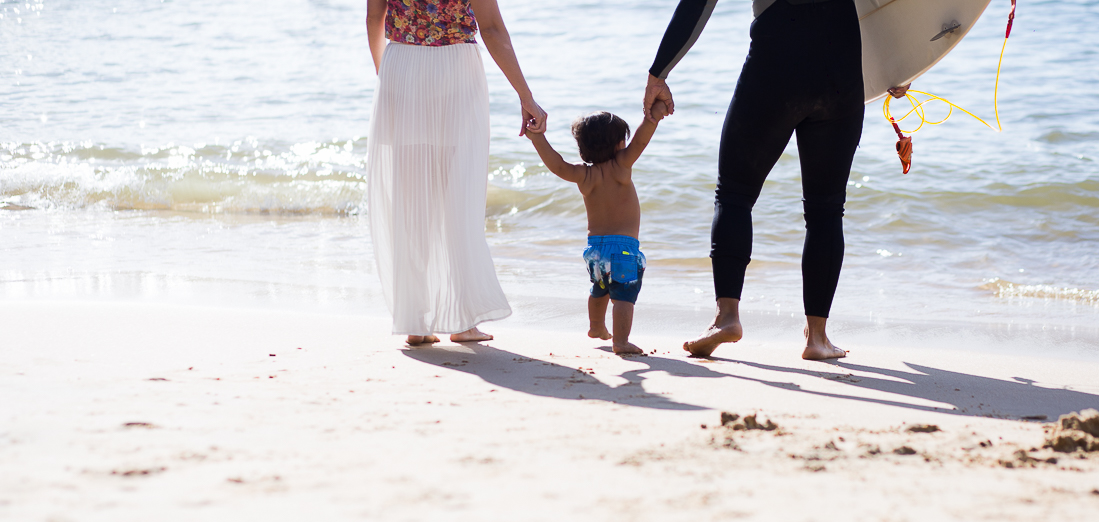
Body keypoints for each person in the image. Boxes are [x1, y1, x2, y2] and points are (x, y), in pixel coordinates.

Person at [644, 0, 864, 360]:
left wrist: (659, 72)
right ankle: (817, 338)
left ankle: (727, 317)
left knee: (734, 195)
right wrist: (899, 67)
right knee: (826, 210)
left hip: (777, 67)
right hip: (842, 75)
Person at [365, 0, 546, 345]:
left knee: (411, 198)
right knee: (459, 194)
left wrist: (385, 76)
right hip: (456, 69)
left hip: (401, 64)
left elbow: (375, 17)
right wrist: (526, 96)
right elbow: (492, 29)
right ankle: (462, 321)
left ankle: (416, 320)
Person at [525, 104, 669, 355]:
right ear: (619, 145)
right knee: (624, 296)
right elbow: (641, 142)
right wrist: (653, 118)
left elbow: (557, 165)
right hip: (623, 248)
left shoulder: (583, 175)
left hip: (595, 249)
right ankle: (620, 341)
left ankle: (596, 326)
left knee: (600, 288)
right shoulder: (621, 166)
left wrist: (538, 138)